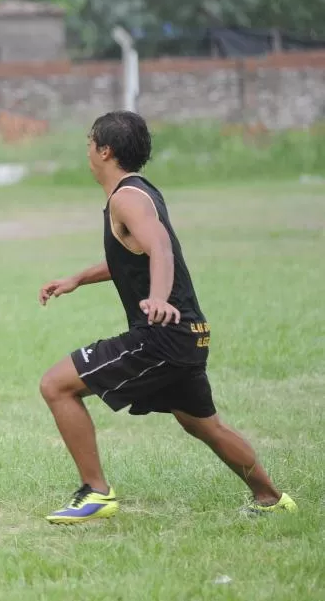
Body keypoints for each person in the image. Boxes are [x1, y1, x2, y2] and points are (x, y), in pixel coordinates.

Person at [37, 110, 296, 524]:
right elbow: (131, 254)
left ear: (105, 150)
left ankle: (96, 493)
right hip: (188, 334)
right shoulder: (137, 193)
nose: (86, 148)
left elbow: (160, 247)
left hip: (163, 334)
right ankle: (271, 498)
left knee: (56, 386)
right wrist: (77, 279)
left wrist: (158, 298)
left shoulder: (126, 197)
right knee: (205, 426)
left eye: (89, 140)